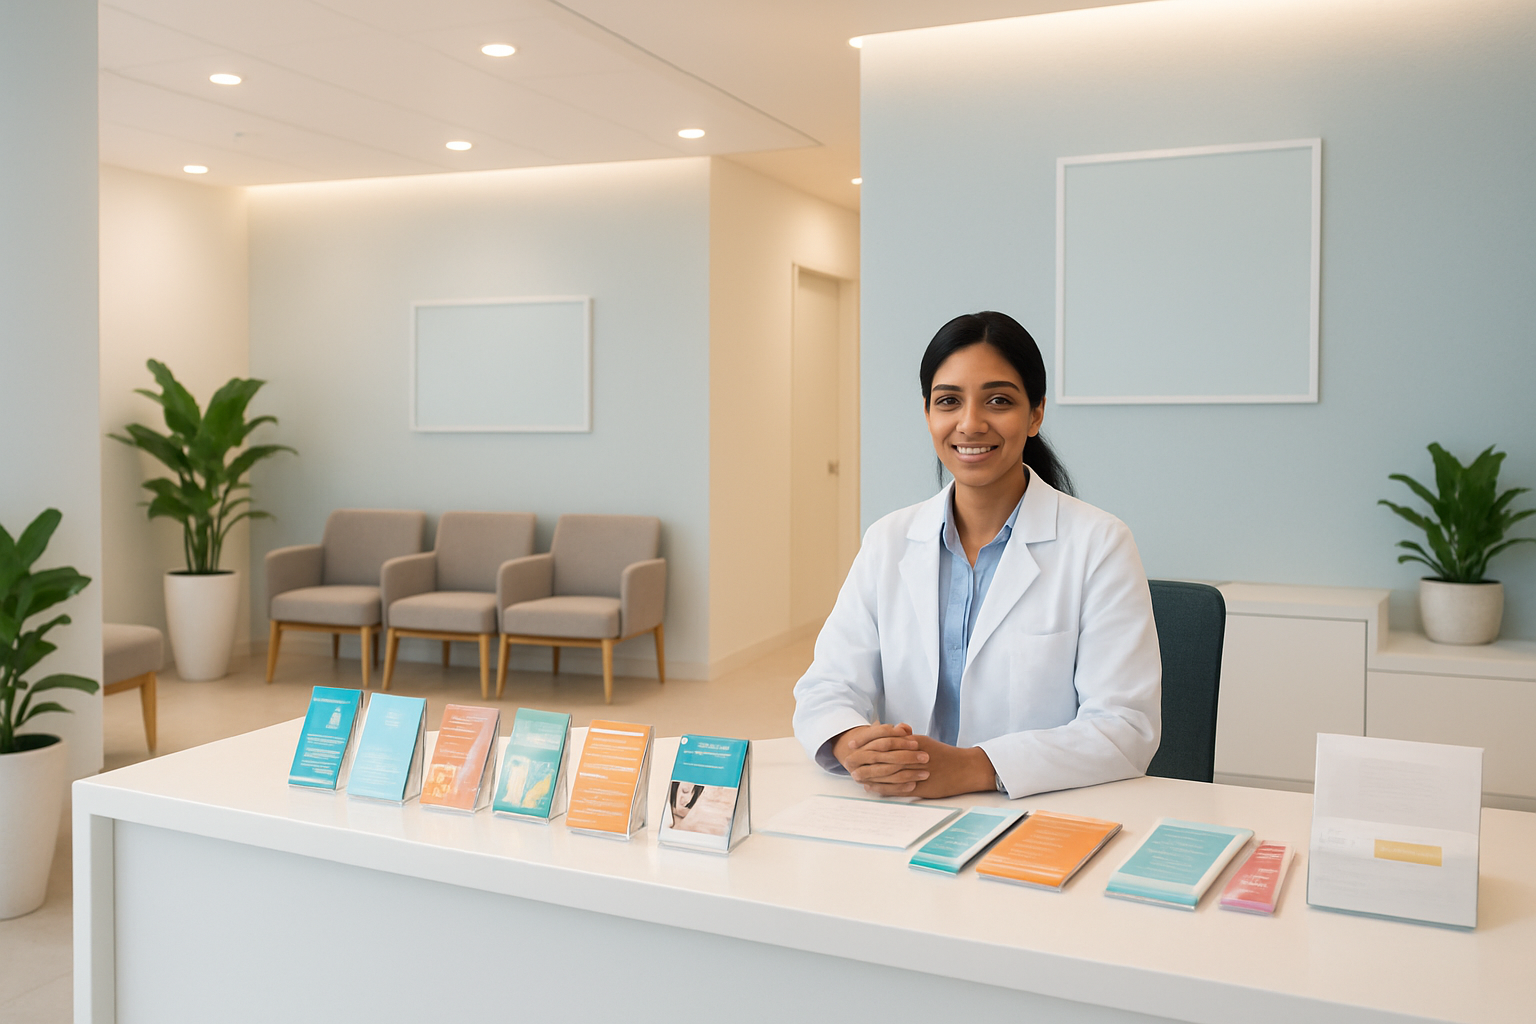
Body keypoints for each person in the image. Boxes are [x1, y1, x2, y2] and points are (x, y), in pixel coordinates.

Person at [792, 311, 1161, 800]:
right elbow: (827, 684)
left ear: (1035, 414)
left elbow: (1125, 727)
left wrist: (974, 768)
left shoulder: (1100, 544)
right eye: (949, 401)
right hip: (904, 810)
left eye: (999, 400)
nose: (970, 423)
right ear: (928, 414)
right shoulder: (889, 540)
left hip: (1038, 810)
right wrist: (849, 740)